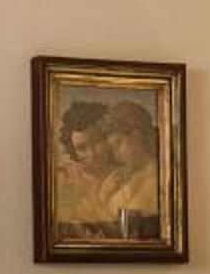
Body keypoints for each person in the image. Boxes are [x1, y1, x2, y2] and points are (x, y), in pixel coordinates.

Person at [54, 98, 161, 240]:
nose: (92, 153)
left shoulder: (130, 175)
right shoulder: (66, 178)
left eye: (96, 142)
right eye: (81, 149)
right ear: (73, 152)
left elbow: (126, 232)